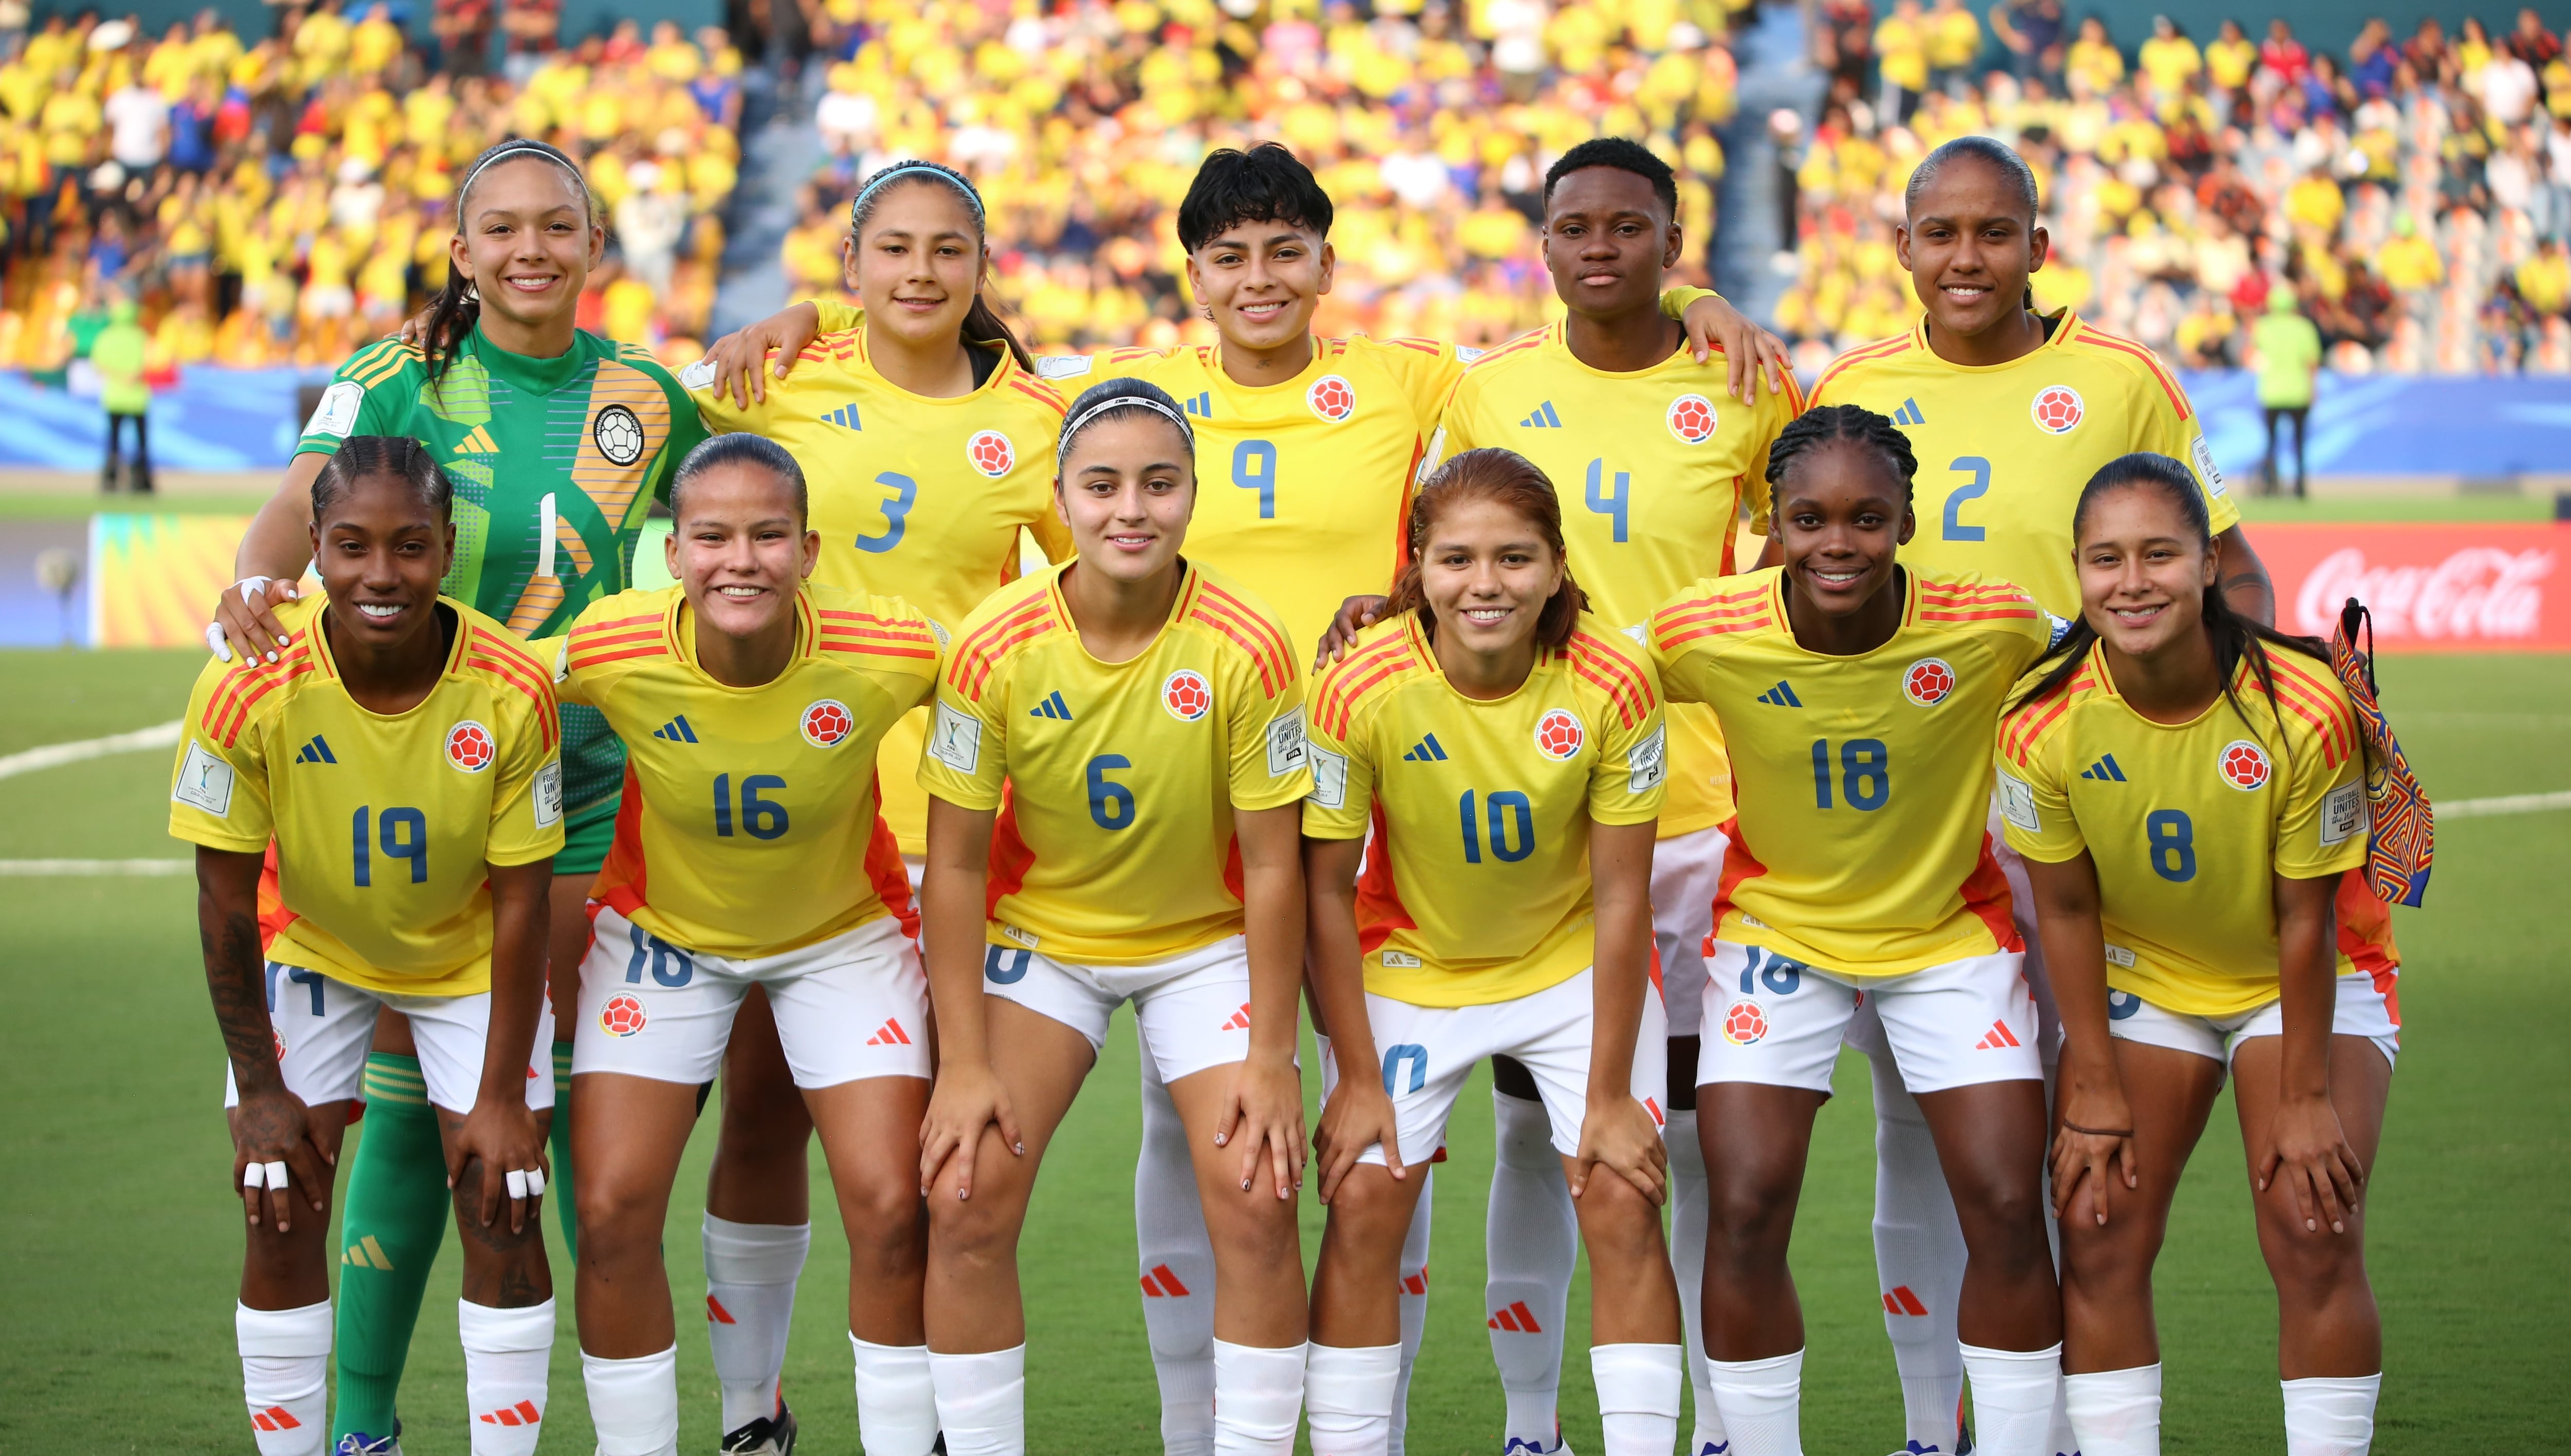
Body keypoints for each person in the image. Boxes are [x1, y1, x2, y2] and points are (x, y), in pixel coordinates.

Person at [701, 139, 1790, 1456]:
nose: (1260, 277)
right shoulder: (1119, 399)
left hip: (1356, 795)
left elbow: (1590, 332)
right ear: (1191, 276)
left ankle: (1381, 1424)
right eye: (1230, 256)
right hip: (1144, 822)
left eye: (1287, 252)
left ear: (1329, 265)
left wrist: (1702, 307)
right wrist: (811, 314)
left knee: (1353, 1129)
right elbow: (949, 358)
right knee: (1193, 1132)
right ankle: (1187, 1424)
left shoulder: (1417, 385)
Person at [203, 136, 708, 1456]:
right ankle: (361, 1424)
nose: (532, 249)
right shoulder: (396, 376)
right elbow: (293, 511)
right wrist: (248, 594)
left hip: (583, 794)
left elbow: (753, 487)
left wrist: (793, 323)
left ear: (598, 247)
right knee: (421, 1116)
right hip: (409, 792)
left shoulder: (651, 396)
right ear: (464, 250)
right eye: (504, 228)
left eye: (560, 227)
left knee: (524, 1120)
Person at [1328, 136, 1801, 1456]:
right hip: (1521, 812)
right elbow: (1429, 571)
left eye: (1630, 227)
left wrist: (1706, 304)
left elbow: (1807, 555)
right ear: (1543, 245)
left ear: (1671, 238)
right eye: (1574, 227)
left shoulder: (1744, 379)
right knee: (1542, 1139)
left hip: (1699, 811)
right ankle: (1533, 1425)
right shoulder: (1484, 392)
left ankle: (1714, 1425)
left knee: (1679, 1145)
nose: (1600, 247)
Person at [1804, 133, 2272, 1456]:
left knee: (2082, 1113)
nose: (1966, 258)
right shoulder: (1851, 386)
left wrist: (2261, 698)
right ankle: (1927, 1425)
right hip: (1909, 818)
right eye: (1939, 233)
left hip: (2089, 805)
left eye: (1992, 232)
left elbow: (2233, 571)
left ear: (2036, 246)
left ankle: (2069, 1421)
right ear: (1901, 247)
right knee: (1922, 1122)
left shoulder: (2121, 381)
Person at [679, 156, 1075, 1453]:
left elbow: (1091, 609)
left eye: (945, 249)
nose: (918, 271)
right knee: (759, 1108)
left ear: (978, 269)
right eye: (892, 248)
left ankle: (924, 1419)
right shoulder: (776, 377)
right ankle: (752, 1412)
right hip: (782, 808)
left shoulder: (1036, 419)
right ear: (848, 267)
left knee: (909, 1148)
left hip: (948, 824)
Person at [1648, 405, 2062, 1456]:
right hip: (1776, 938)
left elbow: (2119, 657)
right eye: (1810, 519)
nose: (1839, 544)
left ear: (1908, 520)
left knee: (2011, 1205)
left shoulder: (1995, 623)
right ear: (1773, 526)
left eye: (1868, 519)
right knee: (1742, 1206)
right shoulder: (1704, 628)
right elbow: (1564, 669)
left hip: (1948, 941)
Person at [914, 377, 1312, 1456]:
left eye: (1157, 484)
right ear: (1060, 500)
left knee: (1261, 1195)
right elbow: (950, 868)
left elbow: (1275, 869)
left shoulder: (1247, 644)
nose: (1129, 509)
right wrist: (962, 1062)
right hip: (1044, 946)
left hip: (1204, 948)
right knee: (964, 1196)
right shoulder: (993, 644)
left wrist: (1274, 1053)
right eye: (1101, 486)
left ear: (1193, 494)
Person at [545, 433, 945, 1456]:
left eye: (769, 535)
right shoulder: (609, 647)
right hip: (663, 938)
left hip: (840, 937)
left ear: (809, 550)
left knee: (894, 1205)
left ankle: (784, 1428)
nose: (741, 559)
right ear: (671, 553)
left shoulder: (886, 646)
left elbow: (1019, 667)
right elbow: (482, 676)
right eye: (712, 536)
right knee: (613, 1203)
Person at [1998, 454, 2399, 1456]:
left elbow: (2305, 920)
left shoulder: (2302, 706)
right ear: (2076, 572)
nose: (2130, 582)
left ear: (2209, 565)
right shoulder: (2036, 720)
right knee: (2093, 1228)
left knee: (2314, 1231)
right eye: (2104, 560)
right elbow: (2067, 908)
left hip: (2307, 978)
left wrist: (2304, 1094)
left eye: (2158, 555)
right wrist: (2088, 1077)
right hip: (2146, 981)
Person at [169, 438, 563, 1456]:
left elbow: (523, 904)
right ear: (312, 549)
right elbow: (221, 904)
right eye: (350, 547)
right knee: (278, 1202)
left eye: (410, 547)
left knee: (507, 1204)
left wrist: (503, 1096)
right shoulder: (245, 684)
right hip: (314, 954)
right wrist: (259, 1092)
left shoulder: (514, 686)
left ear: (447, 549)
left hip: (472, 961)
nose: (380, 575)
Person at [1301, 447, 1683, 1456]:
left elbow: (1619, 896)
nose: (1485, 584)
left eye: (1515, 559)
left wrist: (1607, 1098)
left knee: (1622, 1197)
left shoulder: (1616, 678)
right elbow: (1323, 891)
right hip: (1414, 971)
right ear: (1417, 568)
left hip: (1565, 969)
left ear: (1558, 567)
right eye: (1457, 559)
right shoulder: (1358, 687)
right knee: (1364, 1205)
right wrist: (1354, 1077)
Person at [2252, 290, 2322, 498]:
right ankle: (2300, 484)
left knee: (2271, 441)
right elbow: (2312, 363)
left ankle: (2271, 483)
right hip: (2298, 391)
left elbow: (2252, 354)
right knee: (2299, 441)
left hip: (2271, 392)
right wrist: (2313, 390)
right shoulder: (2304, 328)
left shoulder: (2263, 327)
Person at [93, 296, 152, 493]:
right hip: (137, 398)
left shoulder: (105, 337)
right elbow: (153, 361)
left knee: (114, 442)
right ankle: (142, 482)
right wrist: (133, 375)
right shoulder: (140, 336)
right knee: (141, 443)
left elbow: (98, 365)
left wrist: (118, 376)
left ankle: (110, 480)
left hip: (115, 397)